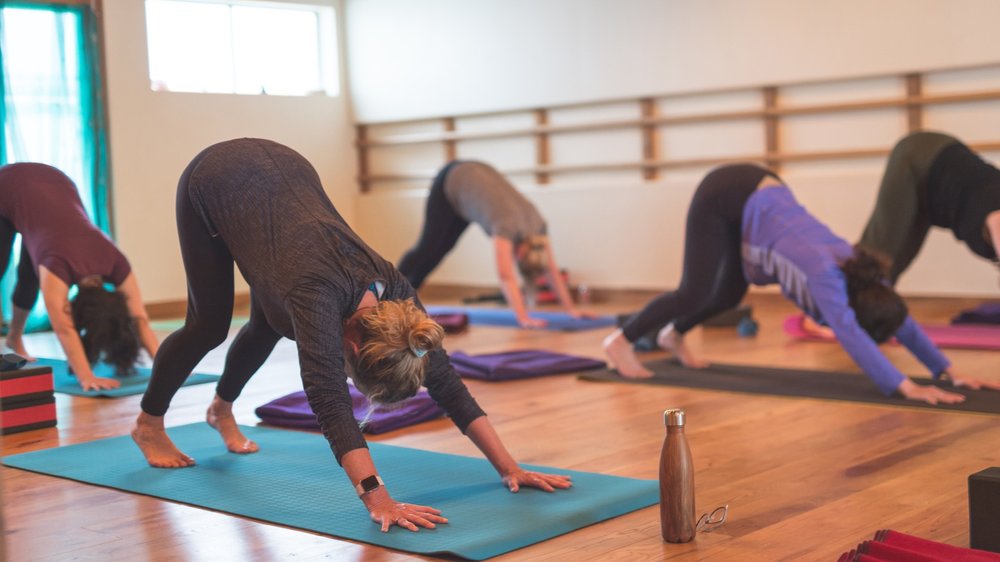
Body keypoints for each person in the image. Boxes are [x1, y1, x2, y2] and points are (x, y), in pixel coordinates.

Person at [131, 139, 571, 533]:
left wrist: (510, 467)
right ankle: (148, 424)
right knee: (208, 325)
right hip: (215, 180)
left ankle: (219, 410)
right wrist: (379, 500)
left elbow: (447, 384)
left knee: (269, 321)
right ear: (354, 347)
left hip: (287, 173)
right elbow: (328, 401)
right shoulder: (316, 297)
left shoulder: (398, 295)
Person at [602, 163, 1000, 404]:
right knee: (694, 288)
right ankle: (620, 341)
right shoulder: (824, 276)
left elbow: (903, 321)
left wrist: (945, 370)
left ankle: (675, 335)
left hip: (761, 193)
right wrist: (904, 387)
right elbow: (850, 333)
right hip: (725, 192)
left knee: (727, 293)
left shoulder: (867, 273)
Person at [0, 162, 159, 391]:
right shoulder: (58, 264)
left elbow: (138, 319)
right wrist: (86, 377)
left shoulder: (116, 260)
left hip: (54, 184)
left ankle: (14, 338)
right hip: (8, 185)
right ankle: (15, 337)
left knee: (30, 275)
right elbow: (64, 328)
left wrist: (165, 368)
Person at [398, 160, 582, 328]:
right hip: (452, 179)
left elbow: (550, 270)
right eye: (519, 260)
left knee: (442, 249)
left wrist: (571, 310)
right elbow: (505, 275)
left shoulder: (538, 226)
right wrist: (523, 318)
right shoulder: (507, 225)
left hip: (471, 182)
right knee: (428, 249)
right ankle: (394, 296)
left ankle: (406, 300)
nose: (514, 259)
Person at [858, 131, 1000, 284]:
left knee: (891, 265)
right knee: (873, 261)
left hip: (939, 176)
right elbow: (996, 220)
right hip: (919, 157)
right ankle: (839, 303)